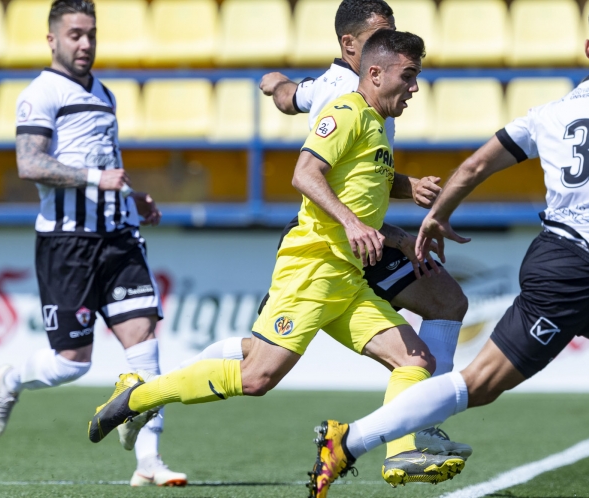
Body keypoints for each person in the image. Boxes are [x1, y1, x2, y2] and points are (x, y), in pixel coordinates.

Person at [308, 1, 589, 497]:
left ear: (587, 49)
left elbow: (474, 166)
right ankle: (351, 440)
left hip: (571, 261)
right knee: (480, 385)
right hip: (572, 273)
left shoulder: (551, 112)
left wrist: (436, 216)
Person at [87, 30, 467, 491]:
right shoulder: (346, 113)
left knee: (416, 361)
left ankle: (399, 451)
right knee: (256, 377)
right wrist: (352, 224)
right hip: (311, 270)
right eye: (408, 77)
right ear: (374, 73)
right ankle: (138, 397)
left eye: (417, 77)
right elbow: (305, 175)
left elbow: (359, 203)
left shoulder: (375, 128)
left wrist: (400, 237)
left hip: (347, 279)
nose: (414, 87)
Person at [174, 0, 472, 471]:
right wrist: (275, 84)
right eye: (379, 35)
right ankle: (157, 392)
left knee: (447, 303)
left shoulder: (350, 85)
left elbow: (298, 102)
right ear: (351, 46)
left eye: (392, 33)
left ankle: (417, 422)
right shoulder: (341, 90)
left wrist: (275, 84)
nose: (388, 44)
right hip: (331, 236)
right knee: (257, 362)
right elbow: (315, 171)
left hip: (367, 235)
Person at [0, 0, 186, 487]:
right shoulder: (40, 92)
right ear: (52, 39)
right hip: (67, 245)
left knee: (146, 346)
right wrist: (97, 178)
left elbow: (104, 161)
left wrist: (134, 196)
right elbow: (30, 163)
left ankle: (149, 462)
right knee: (70, 364)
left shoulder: (105, 93)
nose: (86, 43)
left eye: (91, 33)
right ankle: (11, 379)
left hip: (118, 239)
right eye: (75, 34)